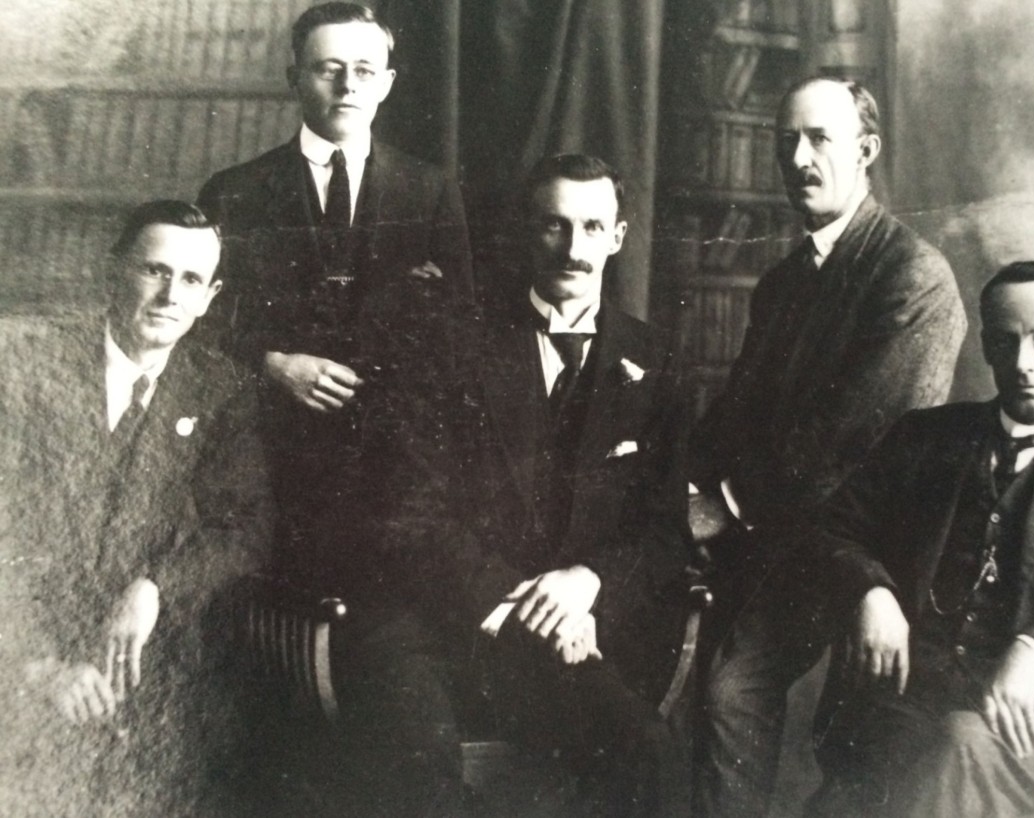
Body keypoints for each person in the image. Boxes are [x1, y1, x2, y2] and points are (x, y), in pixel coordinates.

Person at [332, 153, 693, 817]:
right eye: (553, 227)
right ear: (527, 233)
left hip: (566, 628)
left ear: (618, 237)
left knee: (650, 754)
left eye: (591, 228)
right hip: (433, 624)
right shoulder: (447, 344)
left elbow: (666, 531)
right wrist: (518, 599)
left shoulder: (655, 360)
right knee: (420, 771)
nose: (572, 249)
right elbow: (408, 514)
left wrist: (590, 582)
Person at [805, 261, 1034, 817]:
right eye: (1006, 341)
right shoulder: (926, 437)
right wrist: (871, 592)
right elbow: (831, 526)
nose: (1025, 362)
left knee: (958, 745)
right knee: (896, 760)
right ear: (985, 347)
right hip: (908, 704)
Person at [690, 77, 968, 817]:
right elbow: (736, 417)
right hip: (784, 536)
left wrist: (727, 504)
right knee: (704, 687)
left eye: (820, 140)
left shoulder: (912, 275)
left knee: (750, 699)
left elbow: (857, 441)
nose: (799, 158)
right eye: (787, 142)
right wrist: (679, 486)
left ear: (867, 151)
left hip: (879, 554)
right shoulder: (783, 284)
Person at [0, 201, 273, 816]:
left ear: (210, 298)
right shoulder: (23, 371)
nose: (170, 295)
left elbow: (245, 532)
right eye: (154, 271)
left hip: (156, 664)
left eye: (192, 280)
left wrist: (156, 587)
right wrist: (37, 667)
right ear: (112, 271)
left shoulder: (222, 390)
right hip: (23, 659)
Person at [196, 1, 472, 587]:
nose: (348, 85)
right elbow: (198, 328)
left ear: (388, 83)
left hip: (391, 467)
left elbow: (459, 323)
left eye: (365, 71)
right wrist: (273, 365)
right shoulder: (235, 192)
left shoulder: (430, 191)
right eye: (328, 68)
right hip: (267, 454)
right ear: (294, 76)